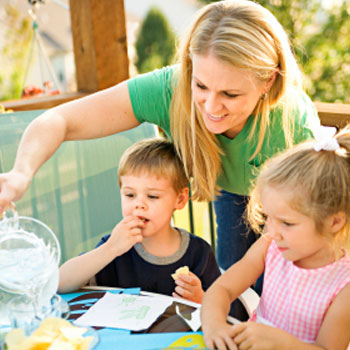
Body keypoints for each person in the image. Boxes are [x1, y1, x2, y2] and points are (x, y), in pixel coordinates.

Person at [0, 1, 320, 282]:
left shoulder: (292, 125)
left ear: (268, 81)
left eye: (230, 94)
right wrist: (20, 174)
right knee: (235, 277)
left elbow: (302, 228)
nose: (210, 107)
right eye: (201, 85)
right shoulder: (169, 89)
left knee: (278, 282)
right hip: (231, 190)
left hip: (294, 205)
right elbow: (59, 120)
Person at [201, 125, 350, 350]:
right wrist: (214, 326)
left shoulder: (344, 284)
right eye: (268, 217)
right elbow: (222, 289)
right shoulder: (270, 244)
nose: (273, 230)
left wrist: (281, 343)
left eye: (287, 223)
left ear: (334, 222)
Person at [58, 137, 221, 304]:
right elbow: (60, 283)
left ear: (179, 199)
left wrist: (201, 299)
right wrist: (110, 248)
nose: (139, 204)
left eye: (152, 196)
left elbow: (227, 311)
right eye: (130, 195)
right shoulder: (115, 247)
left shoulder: (198, 253)